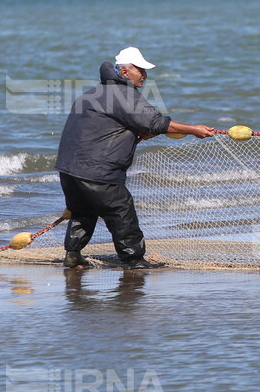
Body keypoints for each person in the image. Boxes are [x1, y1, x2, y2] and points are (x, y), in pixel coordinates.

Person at [55, 47, 216, 270]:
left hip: (69, 169)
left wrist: (137, 132)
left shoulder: (94, 92)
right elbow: (156, 122)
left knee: (84, 212)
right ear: (124, 71)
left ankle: (73, 254)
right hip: (97, 170)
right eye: (140, 70)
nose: (145, 75)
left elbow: (106, 127)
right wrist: (194, 129)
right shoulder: (123, 94)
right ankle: (134, 260)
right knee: (121, 210)